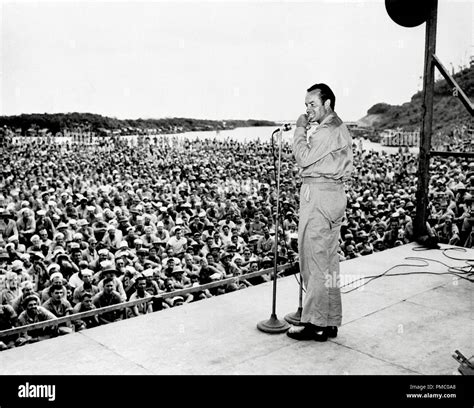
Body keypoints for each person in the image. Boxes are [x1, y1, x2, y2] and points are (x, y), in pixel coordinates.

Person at [289, 83, 353, 341]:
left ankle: (315, 324)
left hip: (319, 197)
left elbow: (303, 157)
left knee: (313, 260)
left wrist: (299, 128)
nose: (307, 110)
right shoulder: (338, 127)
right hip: (331, 195)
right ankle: (328, 320)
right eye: (305, 106)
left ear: (327, 104)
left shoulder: (326, 131)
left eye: (312, 104)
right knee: (328, 263)